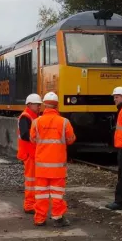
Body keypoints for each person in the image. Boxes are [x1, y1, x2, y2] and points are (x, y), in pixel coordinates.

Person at [30, 92, 76, 227]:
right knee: (57, 194)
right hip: (57, 168)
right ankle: (57, 218)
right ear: (57, 105)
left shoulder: (36, 122)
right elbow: (71, 139)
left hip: (41, 167)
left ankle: (39, 219)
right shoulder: (64, 122)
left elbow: (32, 140)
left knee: (41, 194)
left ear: (44, 105)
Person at [17, 93, 42, 214]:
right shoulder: (25, 117)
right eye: (37, 105)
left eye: (40, 105)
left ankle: (32, 204)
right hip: (29, 154)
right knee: (31, 181)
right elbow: (24, 135)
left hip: (32, 153)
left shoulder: (33, 116)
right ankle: (29, 205)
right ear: (30, 104)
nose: (39, 107)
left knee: (33, 181)